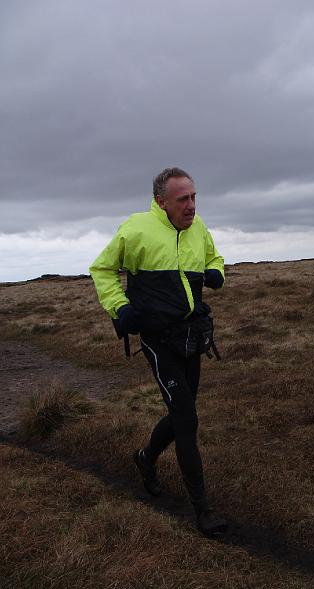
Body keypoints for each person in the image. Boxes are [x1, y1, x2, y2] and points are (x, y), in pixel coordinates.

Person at [89, 167, 227, 536]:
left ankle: (146, 458)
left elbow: (216, 259)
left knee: (184, 412)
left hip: (190, 336)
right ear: (160, 201)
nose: (192, 205)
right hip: (156, 339)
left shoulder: (198, 229)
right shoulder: (135, 230)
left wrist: (217, 274)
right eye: (183, 199)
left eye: (195, 197)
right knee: (186, 418)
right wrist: (121, 309)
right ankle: (203, 512)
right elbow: (101, 270)